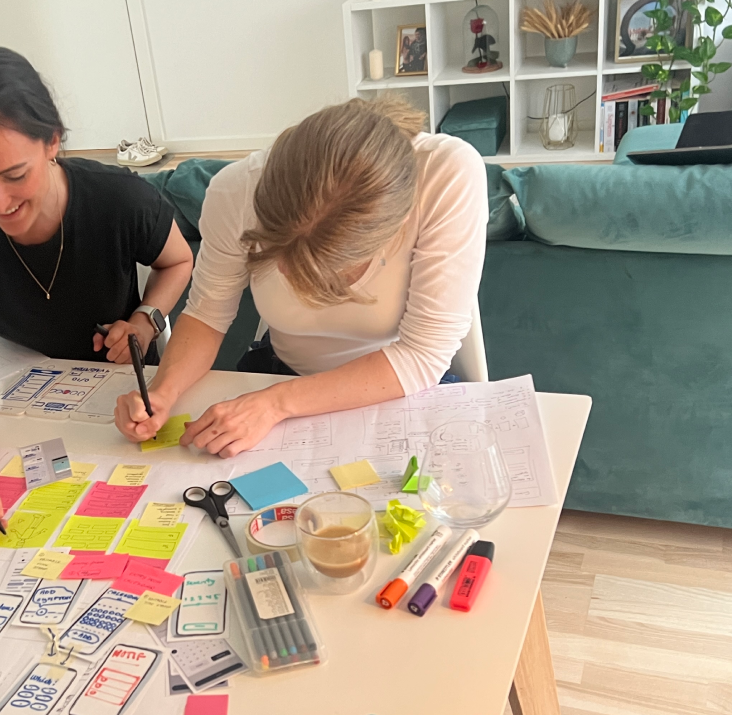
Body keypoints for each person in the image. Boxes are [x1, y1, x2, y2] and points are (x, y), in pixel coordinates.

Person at [0, 47, 193, 532]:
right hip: (14, 375)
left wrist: (147, 318)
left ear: (52, 142)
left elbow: (179, 261)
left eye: (15, 175)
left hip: (116, 382)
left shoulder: (119, 199)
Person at [115, 96, 487, 456]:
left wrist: (275, 405)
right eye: (279, 255)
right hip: (279, 372)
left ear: (399, 224)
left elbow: (423, 354)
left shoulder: (446, 173)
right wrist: (162, 392)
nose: (289, 277)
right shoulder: (237, 190)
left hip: (401, 385)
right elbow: (207, 313)